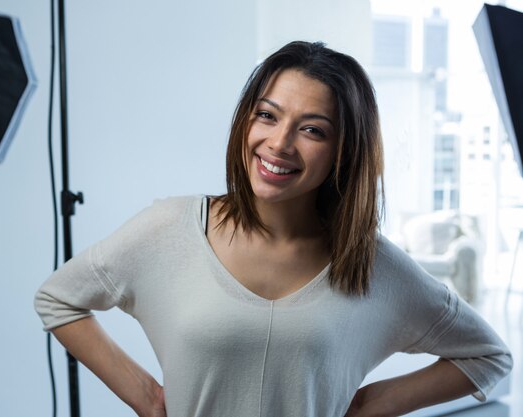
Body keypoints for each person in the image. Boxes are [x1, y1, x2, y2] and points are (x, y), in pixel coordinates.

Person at [34, 41, 512, 417]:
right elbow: (58, 298)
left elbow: (488, 355)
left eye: (312, 129)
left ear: (345, 150)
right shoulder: (170, 229)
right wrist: (146, 397)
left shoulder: (370, 265)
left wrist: (374, 404)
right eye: (267, 115)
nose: (278, 144)